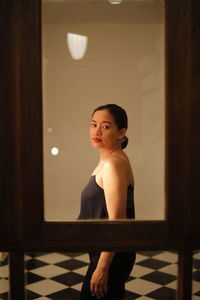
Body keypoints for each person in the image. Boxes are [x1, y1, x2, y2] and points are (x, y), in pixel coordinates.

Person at [78, 104, 136, 300]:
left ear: (121, 133)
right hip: (106, 252)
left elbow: (117, 221)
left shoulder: (113, 164)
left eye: (106, 126)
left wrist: (102, 268)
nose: (97, 131)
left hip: (110, 256)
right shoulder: (110, 159)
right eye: (94, 124)